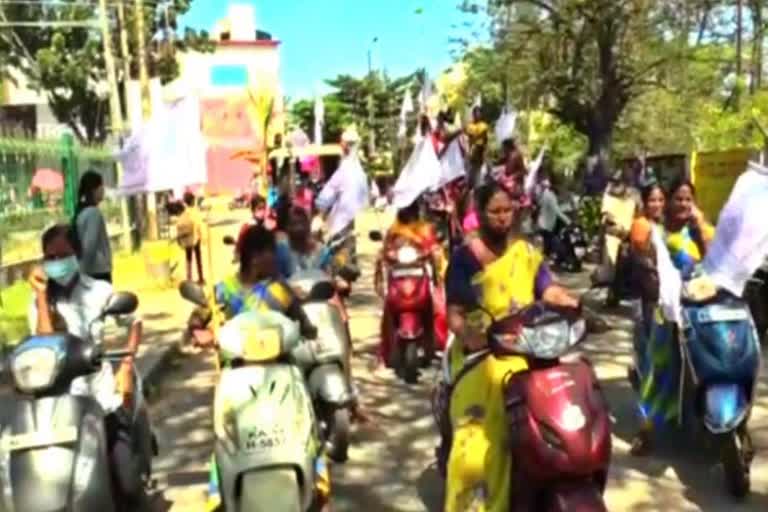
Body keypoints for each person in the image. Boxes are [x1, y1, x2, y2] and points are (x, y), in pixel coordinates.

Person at [441, 181, 579, 511]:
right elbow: (455, 313)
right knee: (474, 447)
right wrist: (468, 335)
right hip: (482, 355)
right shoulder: (464, 258)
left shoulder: (527, 254)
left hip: (529, 349)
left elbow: (547, 288)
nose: (503, 218)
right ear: (480, 214)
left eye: (507, 211)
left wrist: (568, 300)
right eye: (495, 212)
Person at [204, 225, 328, 511]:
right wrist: (201, 332)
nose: (276, 259)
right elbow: (199, 320)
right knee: (225, 436)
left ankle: (318, 481)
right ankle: (218, 491)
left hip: (282, 369)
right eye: (271, 253)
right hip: (236, 375)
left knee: (307, 423)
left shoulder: (280, 290)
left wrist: (309, 330)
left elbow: (303, 321)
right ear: (255, 256)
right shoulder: (224, 290)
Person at [630, 178, 714, 456]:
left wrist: (700, 226)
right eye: (678, 198)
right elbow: (646, 267)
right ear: (668, 202)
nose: (684, 204)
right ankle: (647, 430)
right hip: (664, 311)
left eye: (688, 199)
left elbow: (715, 259)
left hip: (699, 309)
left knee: (707, 363)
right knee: (660, 371)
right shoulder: (655, 232)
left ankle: (708, 423)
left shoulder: (699, 229)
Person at [28, 224, 141, 414]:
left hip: (101, 400)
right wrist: (41, 295)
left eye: (63, 255)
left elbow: (134, 322)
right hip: (58, 405)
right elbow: (45, 344)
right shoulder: (39, 302)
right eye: (51, 257)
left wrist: (126, 366)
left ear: (77, 255)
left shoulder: (99, 291)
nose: (57, 262)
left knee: (122, 440)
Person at [374, 199, 447, 367]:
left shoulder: (424, 229)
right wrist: (385, 254)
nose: (407, 212)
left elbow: (434, 248)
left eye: (410, 209)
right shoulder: (394, 230)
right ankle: (389, 346)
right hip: (399, 275)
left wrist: (433, 253)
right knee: (388, 306)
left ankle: (433, 344)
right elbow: (385, 249)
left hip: (421, 274)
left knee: (438, 308)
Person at [315, 127, 369, 261]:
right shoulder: (361, 174)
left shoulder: (343, 172)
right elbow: (367, 200)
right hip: (357, 229)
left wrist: (319, 213)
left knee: (338, 267)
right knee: (350, 265)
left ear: (344, 146)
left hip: (340, 229)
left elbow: (323, 200)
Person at [74, 170, 113, 283]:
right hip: (97, 272)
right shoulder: (93, 213)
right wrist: (83, 272)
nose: (103, 190)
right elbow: (89, 245)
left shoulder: (83, 212)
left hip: (91, 271)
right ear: (94, 190)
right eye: (101, 186)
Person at [536, 178, 573, 268]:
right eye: (560, 186)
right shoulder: (550, 196)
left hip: (543, 225)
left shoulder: (546, 193)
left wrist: (566, 207)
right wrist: (569, 222)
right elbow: (557, 211)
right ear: (555, 186)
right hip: (546, 226)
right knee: (555, 245)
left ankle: (543, 266)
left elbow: (553, 208)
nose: (561, 188)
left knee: (546, 249)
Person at [176, 192, 205, 284]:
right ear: (192, 200)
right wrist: (202, 235)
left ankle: (189, 278)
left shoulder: (184, 212)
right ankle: (200, 278)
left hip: (187, 238)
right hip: (195, 237)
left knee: (188, 258)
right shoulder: (195, 211)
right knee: (198, 257)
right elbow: (199, 224)